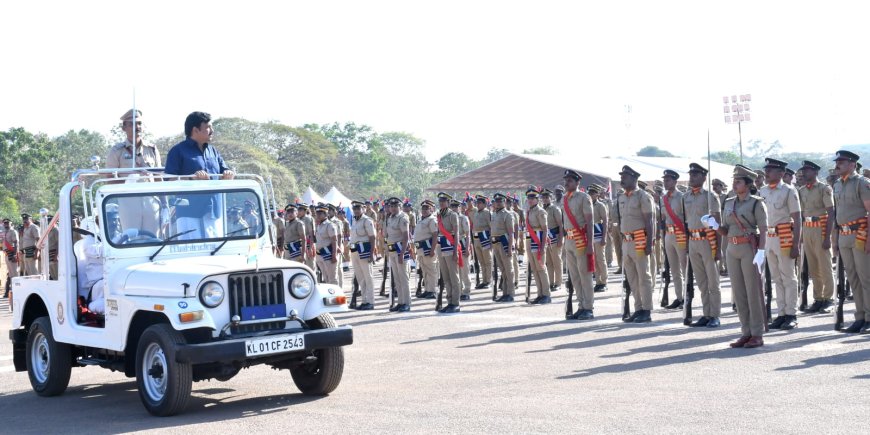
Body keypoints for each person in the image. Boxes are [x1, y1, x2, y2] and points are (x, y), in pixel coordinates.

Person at [164, 112, 235, 240]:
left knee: (215, 253)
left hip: (214, 212)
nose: (212, 131)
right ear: (195, 130)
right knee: (191, 254)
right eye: (208, 127)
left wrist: (228, 174)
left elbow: (225, 170)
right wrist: (192, 178)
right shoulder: (177, 151)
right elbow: (169, 180)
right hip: (189, 213)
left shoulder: (213, 151)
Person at [720, 165, 768, 348]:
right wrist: (714, 225)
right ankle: (745, 332)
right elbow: (725, 230)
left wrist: (762, 251)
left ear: (747, 184)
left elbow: (763, 229)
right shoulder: (729, 202)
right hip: (732, 248)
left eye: (738, 181)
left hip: (749, 248)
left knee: (752, 292)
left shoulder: (756, 203)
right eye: (734, 181)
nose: (734, 184)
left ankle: (757, 333)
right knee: (739, 293)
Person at [760, 158, 802, 330]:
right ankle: (781, 313)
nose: (767, 172)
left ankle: (791, 313)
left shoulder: (788, 191)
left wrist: (796, 244)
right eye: (766, 169)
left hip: (784, 236)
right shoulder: (763, 190)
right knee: (776, 278)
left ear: (781, 173)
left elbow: (797, 218)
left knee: (788, 277)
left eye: (771, 170)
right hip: (768, 238)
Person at [107, 109, 163, 236]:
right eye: (132, 124)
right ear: (124, 128)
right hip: (128, 201)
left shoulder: (152, 149)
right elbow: (108, 179)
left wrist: (164, 204)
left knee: (153, 238)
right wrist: (128, 180)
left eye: (139, 123)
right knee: (131, 238)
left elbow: (159, 178)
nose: (137, 127)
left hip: (151, 199)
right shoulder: (117, 151)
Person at [832, 150, 870, 333]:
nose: (838, 165)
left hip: (860, 233)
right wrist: (835, 240)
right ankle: (860, 316)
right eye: (837, 162)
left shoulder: (862, 183)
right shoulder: (837, 184)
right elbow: (837, 214)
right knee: (853, 279)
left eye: (842, 162)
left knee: (866, 278)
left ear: (852, 164)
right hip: (844, 234)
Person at [684, 163, 723, 327]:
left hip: (708, 240)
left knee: (712, 280)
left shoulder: (710, 196)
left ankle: (715, 315)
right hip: (693, 240)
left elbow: (718, 222)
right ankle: (706, 314)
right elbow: (686, 222)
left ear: (703, 177)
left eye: (695, 175)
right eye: (691, 174)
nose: (692, 177)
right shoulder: (685, 196)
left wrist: (719, 248)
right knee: (701, 281)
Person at [615, 166, 655, 323]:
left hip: (639, 240)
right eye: (622, 176)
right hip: (626, 241)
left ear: (634, 178)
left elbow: (650, 221)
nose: (622, 179)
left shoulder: (643, 196)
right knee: (632, 277)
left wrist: (649, 243)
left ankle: (646, 309)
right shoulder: (622, 197)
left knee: (643, 276)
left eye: (625, 176)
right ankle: (638, 308)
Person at [798, 161, 836, 313]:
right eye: (803, 171)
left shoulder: (824, 189)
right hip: (807, 229)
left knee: (825, 266)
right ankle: (818, 298)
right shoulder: (801, 190)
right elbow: (801, 214)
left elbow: (831, 213)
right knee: (813, 267)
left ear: (815, 172)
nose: (804, 173)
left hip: (820, 228)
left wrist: (827, 237)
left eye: (807, 170)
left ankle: (829, 299)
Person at [660, 170, 687, 309]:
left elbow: (686, 218)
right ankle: (679, 297)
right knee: (674, 269)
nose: (666, 182)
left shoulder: (682, 197)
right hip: (668, 235)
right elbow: (663, 219)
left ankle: (688, 297)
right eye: (665, 180)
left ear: (675, 182)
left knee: (684, 267)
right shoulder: (663, 198)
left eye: (668, 180)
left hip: (680, 234)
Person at [435, 193, 462, 313]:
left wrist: (456, 251)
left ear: (448, 202)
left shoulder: (453, 215)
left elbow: (456, 234)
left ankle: (455, 303)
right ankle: (449, 301)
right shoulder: (439, 215)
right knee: (445, 276)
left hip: (450, 247)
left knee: (453, 276)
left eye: (444, 201)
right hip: (441, 246)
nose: (441, 203)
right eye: (440, 201)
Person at [525, 187, 551, 304]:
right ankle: (540, 293)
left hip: (538, 238)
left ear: (537, 199)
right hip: (530, 239)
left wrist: (543, 246)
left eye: (533, 198)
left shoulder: (541, 211)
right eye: (529, 198)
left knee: (541, 267)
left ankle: (546, 294)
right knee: (534, 269)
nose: (530, 200)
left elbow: (545, 229)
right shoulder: (529, 211)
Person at [385, 197, 411, 312]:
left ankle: (406, 302)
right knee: (397, 278)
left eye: (395, 206)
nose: (393, 208)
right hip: (392, 250)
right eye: (391, 206)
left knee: (403, 277)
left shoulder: (403, 217)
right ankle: (400, 302)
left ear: (400, 207)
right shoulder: (390, 218)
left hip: (400, 249)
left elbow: (406, 236)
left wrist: (402, 253)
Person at [350, 201, 377, 310]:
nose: (356, 210)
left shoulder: (367, 220)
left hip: (365, 251)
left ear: (364, 209)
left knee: (368, 277)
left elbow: (372, 238)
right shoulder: (354, 220)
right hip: (355, 251)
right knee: (361, 278)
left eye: (358, 208)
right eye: (354, 208)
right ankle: (364, 301)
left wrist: (371, 253)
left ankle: (370, 301)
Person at [491, 193, 516, 302]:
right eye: (496, 201)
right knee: (503, 270)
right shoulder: (494, 214)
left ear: (505, 202)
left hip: (504, 243)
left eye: (500, 201)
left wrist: (510, 248)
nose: (498, 203)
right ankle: (505, 293)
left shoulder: (508, 214)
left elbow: (511, 233)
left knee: (508, 269)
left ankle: (510, 293)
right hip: (496, 244)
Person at [415, 199, 440, 300]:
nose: (424, 210)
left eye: (427, 208)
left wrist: (433, 249)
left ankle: (433, 290)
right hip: (421, 248)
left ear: (431, 210)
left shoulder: (432, 220)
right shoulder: (422, 220)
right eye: (423, 208)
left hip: (428, 247)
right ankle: (427, 290)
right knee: (424, 270)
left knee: (431, 270)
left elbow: (435, 235)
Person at [542, 189, 563, 292]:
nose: (545, 199)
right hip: (545, 239)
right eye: (543, 197)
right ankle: (551, 282)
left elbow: (560, 225)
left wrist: (560, 239)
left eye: (547, 197)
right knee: (549, 262)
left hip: (555, 237)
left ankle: (558, 283)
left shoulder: (555, 209)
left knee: (557, 262)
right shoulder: (541, 209)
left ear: (551, 198)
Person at [589, 184, 609, 292]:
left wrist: (604, 237)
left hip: (599, 233)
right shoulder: (587, 205)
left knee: (601, 259)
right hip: (590, 235)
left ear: (597, 194)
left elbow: (605, 221)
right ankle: (598, 281)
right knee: (594, 260)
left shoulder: (601, 205)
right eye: (590, 193)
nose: (591, 195)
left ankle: (604, 282)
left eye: (593, 193)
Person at [453, 200, 473, 300]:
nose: (454, 208)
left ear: (460, 207)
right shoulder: (449, 218)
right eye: (452, 206)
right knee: (456, 270)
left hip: (462, 243)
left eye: (456, 206)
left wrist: (467, 247)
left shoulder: (463, 218)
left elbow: (468, 234)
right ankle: (459, 290)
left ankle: (466, 290)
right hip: (453, 244)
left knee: (464, 269)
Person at [471, 195, 493, 289]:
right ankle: (484, 280)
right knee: (481, 261)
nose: (478, 204)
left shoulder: (487, 213)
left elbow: (491, 227)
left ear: (484, 204)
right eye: (477, 203)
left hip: (485, 238)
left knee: (487, 260)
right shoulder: (476, 213)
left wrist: (491, 241)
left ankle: (488, 280)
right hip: (476, 238)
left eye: (480, 203)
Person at [314, 205, 338, 284]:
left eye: (320, 213)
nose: (318, 215)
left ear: (325, 214)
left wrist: (334, 255)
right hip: (320, 254)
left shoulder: (329, 225)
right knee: (326, 278)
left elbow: (334, 241)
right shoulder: (319, 225)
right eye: (317, 213)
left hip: (328, 254)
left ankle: (339, 297)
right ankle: (330, 296)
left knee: (332, 278)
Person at [297, 203, 316, 270]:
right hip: (300, 245)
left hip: (308, 244)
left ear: (305, 211)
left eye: (300, 210)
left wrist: (310, 248)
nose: (298, 211)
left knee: (310, 266)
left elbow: (311, 234)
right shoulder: (297, 219)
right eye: (298, 210)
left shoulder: (308, 219)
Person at [3, 218, 18, 297]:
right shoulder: (5, 232)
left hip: (12, 254)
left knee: (14, 274)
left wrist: (15, 255)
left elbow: (16, 243)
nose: (6, 224)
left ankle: (16, 291)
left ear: (10, 223)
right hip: (7, 254)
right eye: (5, 223)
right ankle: (12, 291)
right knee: (10, 274)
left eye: (7, 223)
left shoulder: (13, 231)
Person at [47, 215, 59, 280]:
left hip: (54, 253)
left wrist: (56, 255)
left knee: (57, 274)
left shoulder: (56, 230)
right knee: (52, 274)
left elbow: (58, 243)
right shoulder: (48, 231)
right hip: (49, 254)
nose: (49, 223)